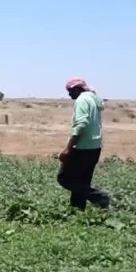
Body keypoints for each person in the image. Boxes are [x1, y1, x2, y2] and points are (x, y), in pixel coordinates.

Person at [58, 77, 109, 209]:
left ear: (78, 88)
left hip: (82, 147)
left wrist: (68, 148)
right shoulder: (93, 99)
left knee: (64, 178)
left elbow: (82, 124)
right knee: (81, 181)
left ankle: (98, 196)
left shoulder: (82, 100)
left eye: (70, 90)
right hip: (94, 147)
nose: (69, 94)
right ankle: (77, 212)